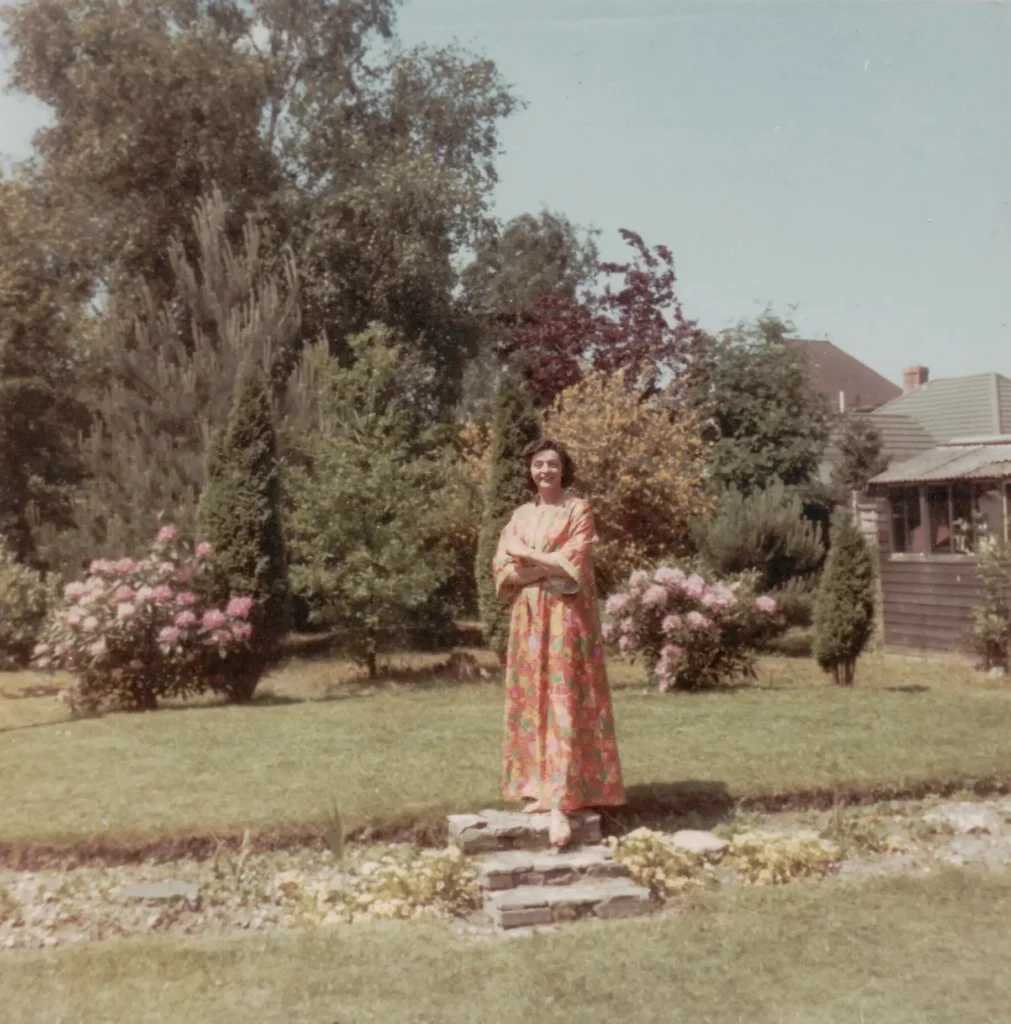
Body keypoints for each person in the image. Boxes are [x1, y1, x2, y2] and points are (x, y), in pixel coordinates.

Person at [493, 438, 625, 848]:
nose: (545, 470)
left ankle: (564, 797)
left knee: (564, 699)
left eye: (552, 464)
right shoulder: (520, 514)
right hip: (529, 618)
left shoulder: (577, 509)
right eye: (537, 465)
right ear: (529, 471)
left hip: (567, 619)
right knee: (533, 697)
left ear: (563, 469)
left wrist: (527, 557)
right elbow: (502, 567)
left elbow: (575, 565)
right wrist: (533, 568)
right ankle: (537, 785)